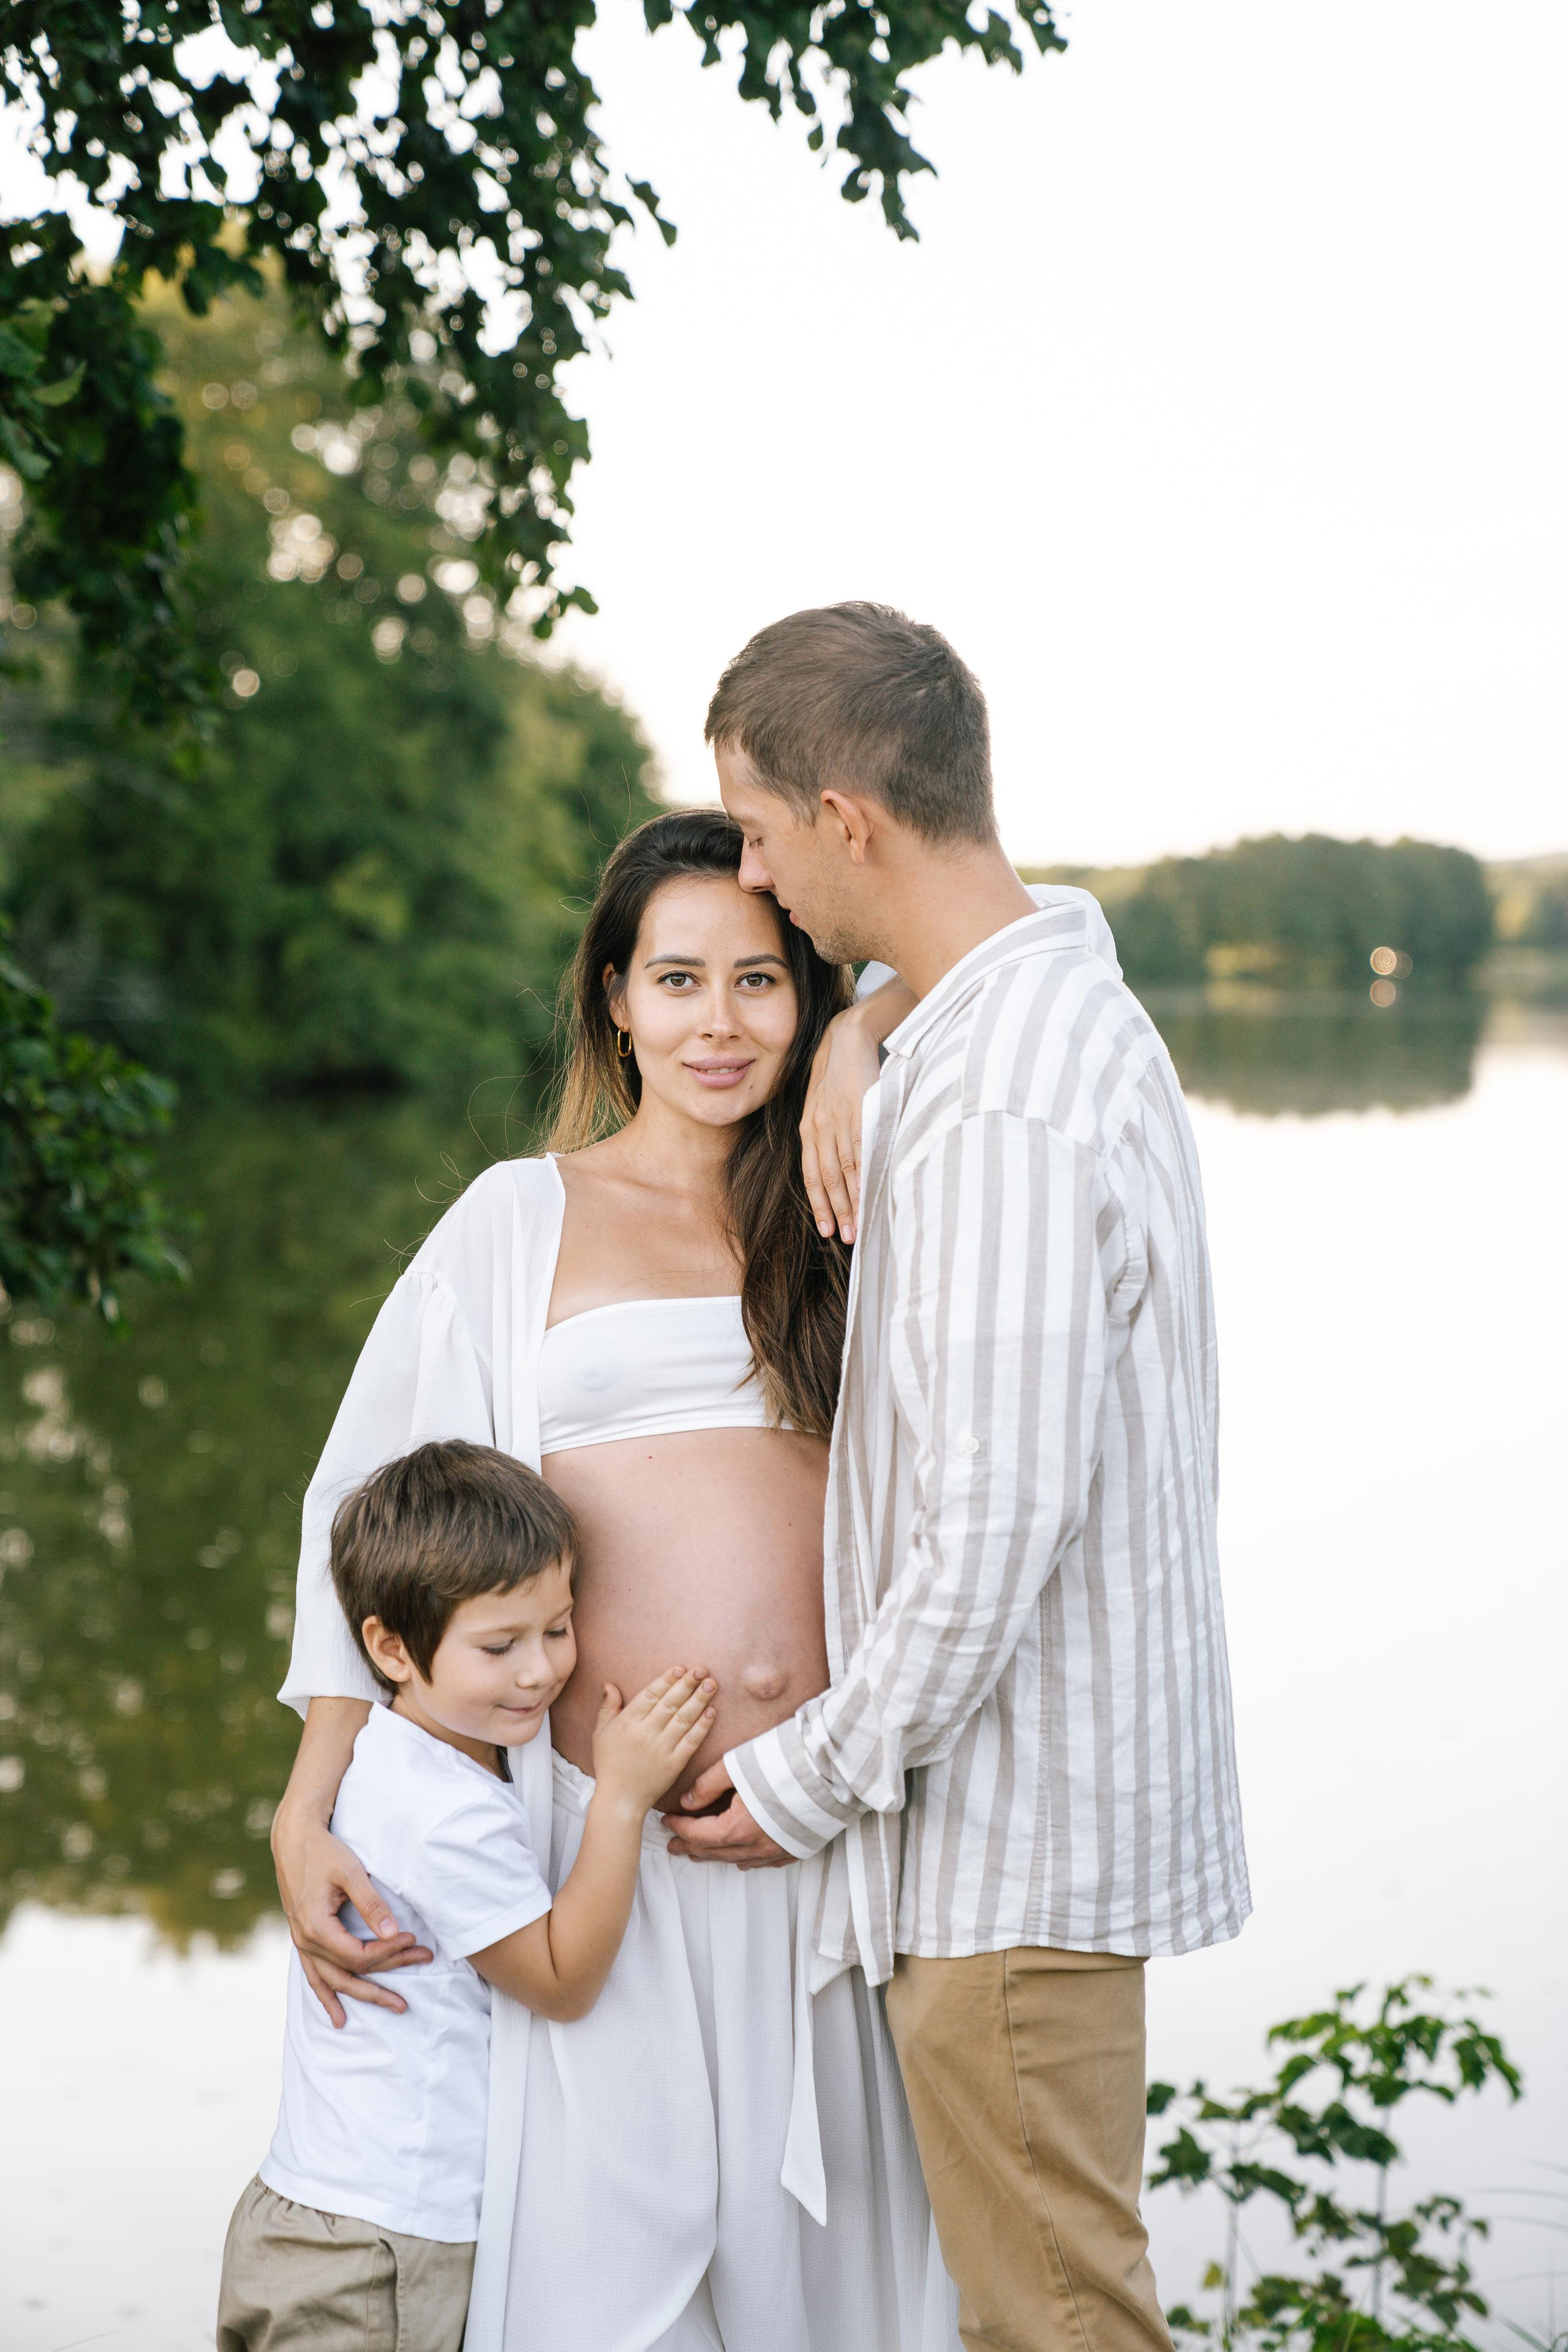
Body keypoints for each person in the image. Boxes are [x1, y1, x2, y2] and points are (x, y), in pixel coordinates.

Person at [269, 809, 962, 2351]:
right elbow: (360, 1507)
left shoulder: (858, 1205)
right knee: (611, 2292)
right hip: (599, 1846)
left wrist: (865, 1042)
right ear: (613, 998)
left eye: (763, 983)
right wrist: (307, 1802)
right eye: (676, 980)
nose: (718, 1024)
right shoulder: (521, 1218)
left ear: (809, 994)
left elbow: (1039, 922)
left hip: (816, 1827)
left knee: (829, 2278)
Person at [667, 601, 1251, 2352]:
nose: (758, 882)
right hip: (1035, 1845)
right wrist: (859, 1020)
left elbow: (994, 1523)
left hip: (1012, 1858)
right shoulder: (1042, 1011)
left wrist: (806, 1781)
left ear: (847, 818)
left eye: (762, 835)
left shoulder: (997, 1100)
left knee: (1060, 2328)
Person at [219, 1439, 717, 2351]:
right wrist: (621, 1796)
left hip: (314, 2211)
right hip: (383, 2249)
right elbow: (560, 1981)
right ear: (390, 1647)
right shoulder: (444, 1810)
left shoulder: (392, 1753)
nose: (539, 1671)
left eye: (557, 1629)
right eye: (500, 1645)